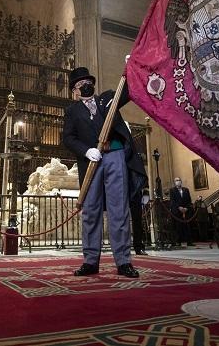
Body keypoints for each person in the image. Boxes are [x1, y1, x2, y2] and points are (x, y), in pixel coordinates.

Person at [62, 64, 146, 278]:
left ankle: (123, 261)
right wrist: (86, 150)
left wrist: (131, 67)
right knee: (91, 210)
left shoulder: (108, 98)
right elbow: (68, 138)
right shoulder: (72, 111)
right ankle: (90, 260)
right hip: (91, 162)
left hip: (115, 155)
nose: (85, 86)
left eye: (88, 82)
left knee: (119, 209)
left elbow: (128, 90)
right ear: (74, 91)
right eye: (81, 84)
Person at [168, 177, 193, 247]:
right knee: (177, 227)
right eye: (176, 180)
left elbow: (189, 200)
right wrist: (179, 207)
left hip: (186, 210)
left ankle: (189, 241)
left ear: (181, 182)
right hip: (177, 210)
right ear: (174, 182)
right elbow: (172, 201)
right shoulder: (172, 190)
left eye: (179, 180)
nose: (178, 181)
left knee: (187, 226)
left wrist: (186, 208)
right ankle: (178, 241)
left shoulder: (186, 190)